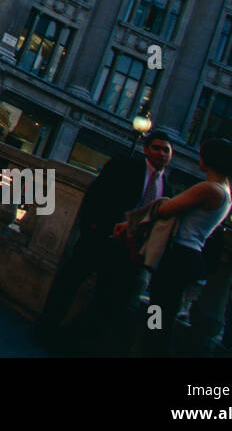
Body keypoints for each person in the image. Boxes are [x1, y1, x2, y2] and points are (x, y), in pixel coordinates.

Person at [35, 131, 173, 348]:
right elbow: (95, 195)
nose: (162, 154)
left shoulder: (167, 186)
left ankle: (70, 340)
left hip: (126, 250)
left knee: (104, 297)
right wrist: (92, 228)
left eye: (166, 150)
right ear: (146, 149)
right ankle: (45, 328)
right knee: (69, 282)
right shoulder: (124, 166)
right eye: (157, 148)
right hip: (100, 237)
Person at [133, 138, 232, 356]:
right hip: (189, 256)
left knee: (159, 310)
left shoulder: (208, 188)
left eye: (202, 154)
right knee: (166, 310)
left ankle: (151, 351)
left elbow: (166, 209)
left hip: (177, 255)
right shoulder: (226, 193)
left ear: (210, 159)